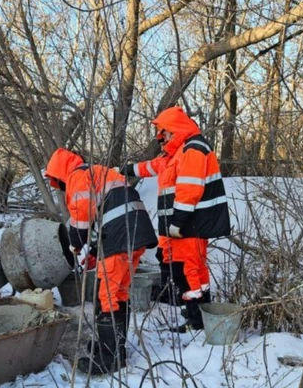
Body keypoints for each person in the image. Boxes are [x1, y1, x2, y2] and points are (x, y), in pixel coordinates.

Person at [44, 148, 157, 374]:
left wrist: (75, 243)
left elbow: (82, 215)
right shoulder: (98, 172)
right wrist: (96, 250)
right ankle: (115, 348)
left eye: (56, 181)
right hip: (135, 233)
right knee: (119, 292)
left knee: (107, 296)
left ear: (59, 173)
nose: (59, 186)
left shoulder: (77, 176)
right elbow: (107, 213)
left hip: (120, 235)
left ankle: (110, 357)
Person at [123, 107, 231, 331]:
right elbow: (150, 167)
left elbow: (189, 191)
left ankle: (196, 319)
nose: (163, 139)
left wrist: (177, 223)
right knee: (191, 269)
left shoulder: (193, 150)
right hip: (180, 227)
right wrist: (123, 170)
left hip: (187, 226)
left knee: (187, 270)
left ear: (175, 130)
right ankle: (200, 310)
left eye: (166, 134)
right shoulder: (175, 154)